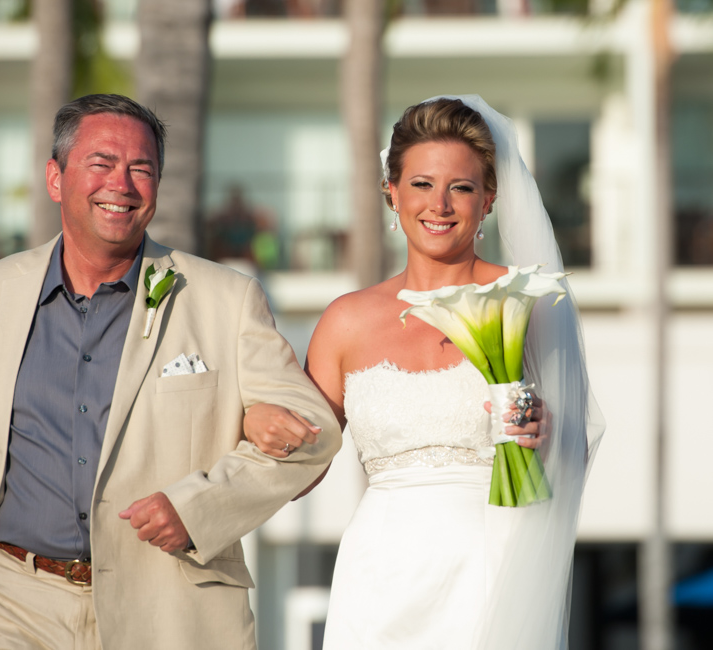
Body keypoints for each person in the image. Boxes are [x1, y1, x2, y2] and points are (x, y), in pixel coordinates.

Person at [0, 94, 341, 650]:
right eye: (102, 163)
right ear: (56, 178)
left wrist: (201, 507)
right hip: (5, 606)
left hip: (170, 612)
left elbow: (314, 433)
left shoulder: (225, 300)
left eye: (142, 169)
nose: (123, 184)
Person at [245, 96, 604, 648]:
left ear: (488, 200)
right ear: (392, 192)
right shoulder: (347, 320)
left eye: (461, 187)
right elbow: (302, 470)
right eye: (421, 184)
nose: (440, 204)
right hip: (380, 577)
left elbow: (573, 452)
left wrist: (547, 433)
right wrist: (258, 423)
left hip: (496, 566)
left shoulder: (530, 301)